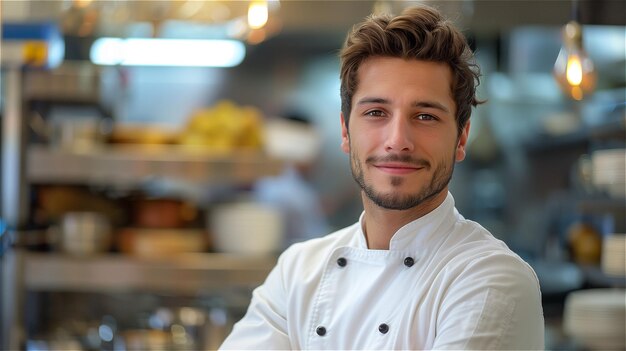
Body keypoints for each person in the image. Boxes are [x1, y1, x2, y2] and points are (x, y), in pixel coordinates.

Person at [220, 4, 544, 350]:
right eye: (376, 112)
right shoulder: (298, 272)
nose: (398, 141)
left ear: (461, 138)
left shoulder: (490, 277)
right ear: (345, 132)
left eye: (425, 116)